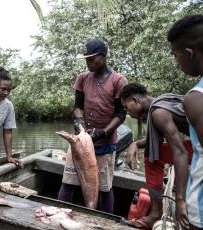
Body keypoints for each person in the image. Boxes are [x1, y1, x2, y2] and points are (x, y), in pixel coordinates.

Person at [58, 39, 128, 213]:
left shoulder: (119, 81)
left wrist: (103, 132)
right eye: (86, 59)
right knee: (68, 182)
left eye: (91, 59)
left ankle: (104, 222)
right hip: (80, 142)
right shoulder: (82, 78)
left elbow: (121, 114)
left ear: (102, 57)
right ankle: (57, 214)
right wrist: (79, 122)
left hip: (105, 143)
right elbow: (78, 107)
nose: (88, 63)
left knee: (104, 188)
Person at [120, 83, 193, 229]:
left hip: (199, 148)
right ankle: (155, 213)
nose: (127, 112)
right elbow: (156, 142)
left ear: (135, 100)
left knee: (153, 156)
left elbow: (180, 152)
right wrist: (135, 144)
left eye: (126, 107)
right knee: (154, 154)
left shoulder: (158, 112)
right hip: (197, 144)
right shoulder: (158, 106)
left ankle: (155, 214)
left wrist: (180, 201)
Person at [167, 14, 203, 230]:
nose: (177, 62)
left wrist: (180, 200)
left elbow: (180, 152)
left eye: (176, 55)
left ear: (189, 53)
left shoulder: (196, 98)